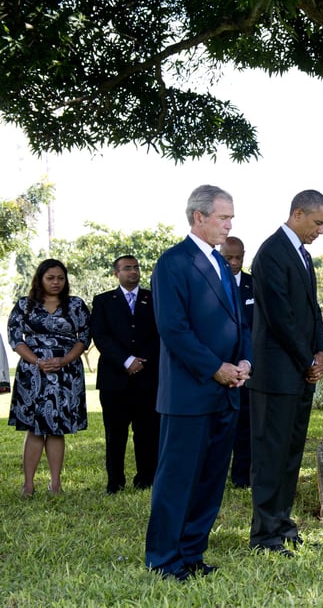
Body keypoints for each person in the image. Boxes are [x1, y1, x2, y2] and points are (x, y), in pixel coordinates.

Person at [145, 185, 252, 581]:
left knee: (209, 480)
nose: (229, 225)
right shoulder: (173, 263)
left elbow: (239, 322)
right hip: (189, 394)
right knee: (177, 480)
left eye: (231, 218)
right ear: (198, 217)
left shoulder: (223, 264)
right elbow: (173, 330)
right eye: (224, 217)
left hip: (227, 392)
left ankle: (191, 554)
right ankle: (163, 559)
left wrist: (244, 361)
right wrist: (215, 368)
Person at [248, 189, 323, 556]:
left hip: (299, 372)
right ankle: (264, 536)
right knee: (271, 457)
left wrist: (321, 350)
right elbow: (281, 317)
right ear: (297, 213)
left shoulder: (302, 255)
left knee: (290, 455)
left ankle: (282, 526)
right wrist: (306, 359)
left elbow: (312, 311)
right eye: (317, 223)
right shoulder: (270, 254)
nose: (321, 231)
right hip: (276, 374)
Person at [7, 259, 91, 496]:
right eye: (50, 278)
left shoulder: (75, 305)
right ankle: (28, 484)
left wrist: (63, 361)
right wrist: (37, 361)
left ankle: (55, 483)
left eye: (60, 278)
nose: (56, 282)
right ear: (40, 279)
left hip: (66, 373)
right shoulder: (25, 305)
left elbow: (83, 338)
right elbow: (15, 338)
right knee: (34, 429)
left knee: (57, 428)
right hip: (33, 373)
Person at [91, 255, 161, 494]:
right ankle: (115, 482)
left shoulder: (153, 298)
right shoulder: (103, 301)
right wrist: (126, 360)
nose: (133, 272)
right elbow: (100, 336)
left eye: (136, 267)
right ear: (116, 273)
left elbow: (161, 333)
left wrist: (143, 360)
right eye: (127, 268)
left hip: (147, 377)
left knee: (147, 432)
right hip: (114, 380)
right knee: (115, 433)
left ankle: (145, 478)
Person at [220, 236, 255, 488]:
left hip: (249, 368)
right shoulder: (210, 284)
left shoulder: (256, 285)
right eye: (227, 258)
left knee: (246, 425)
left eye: (238, 258)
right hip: (218, 367)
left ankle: (242, 477)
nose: (233, 263)